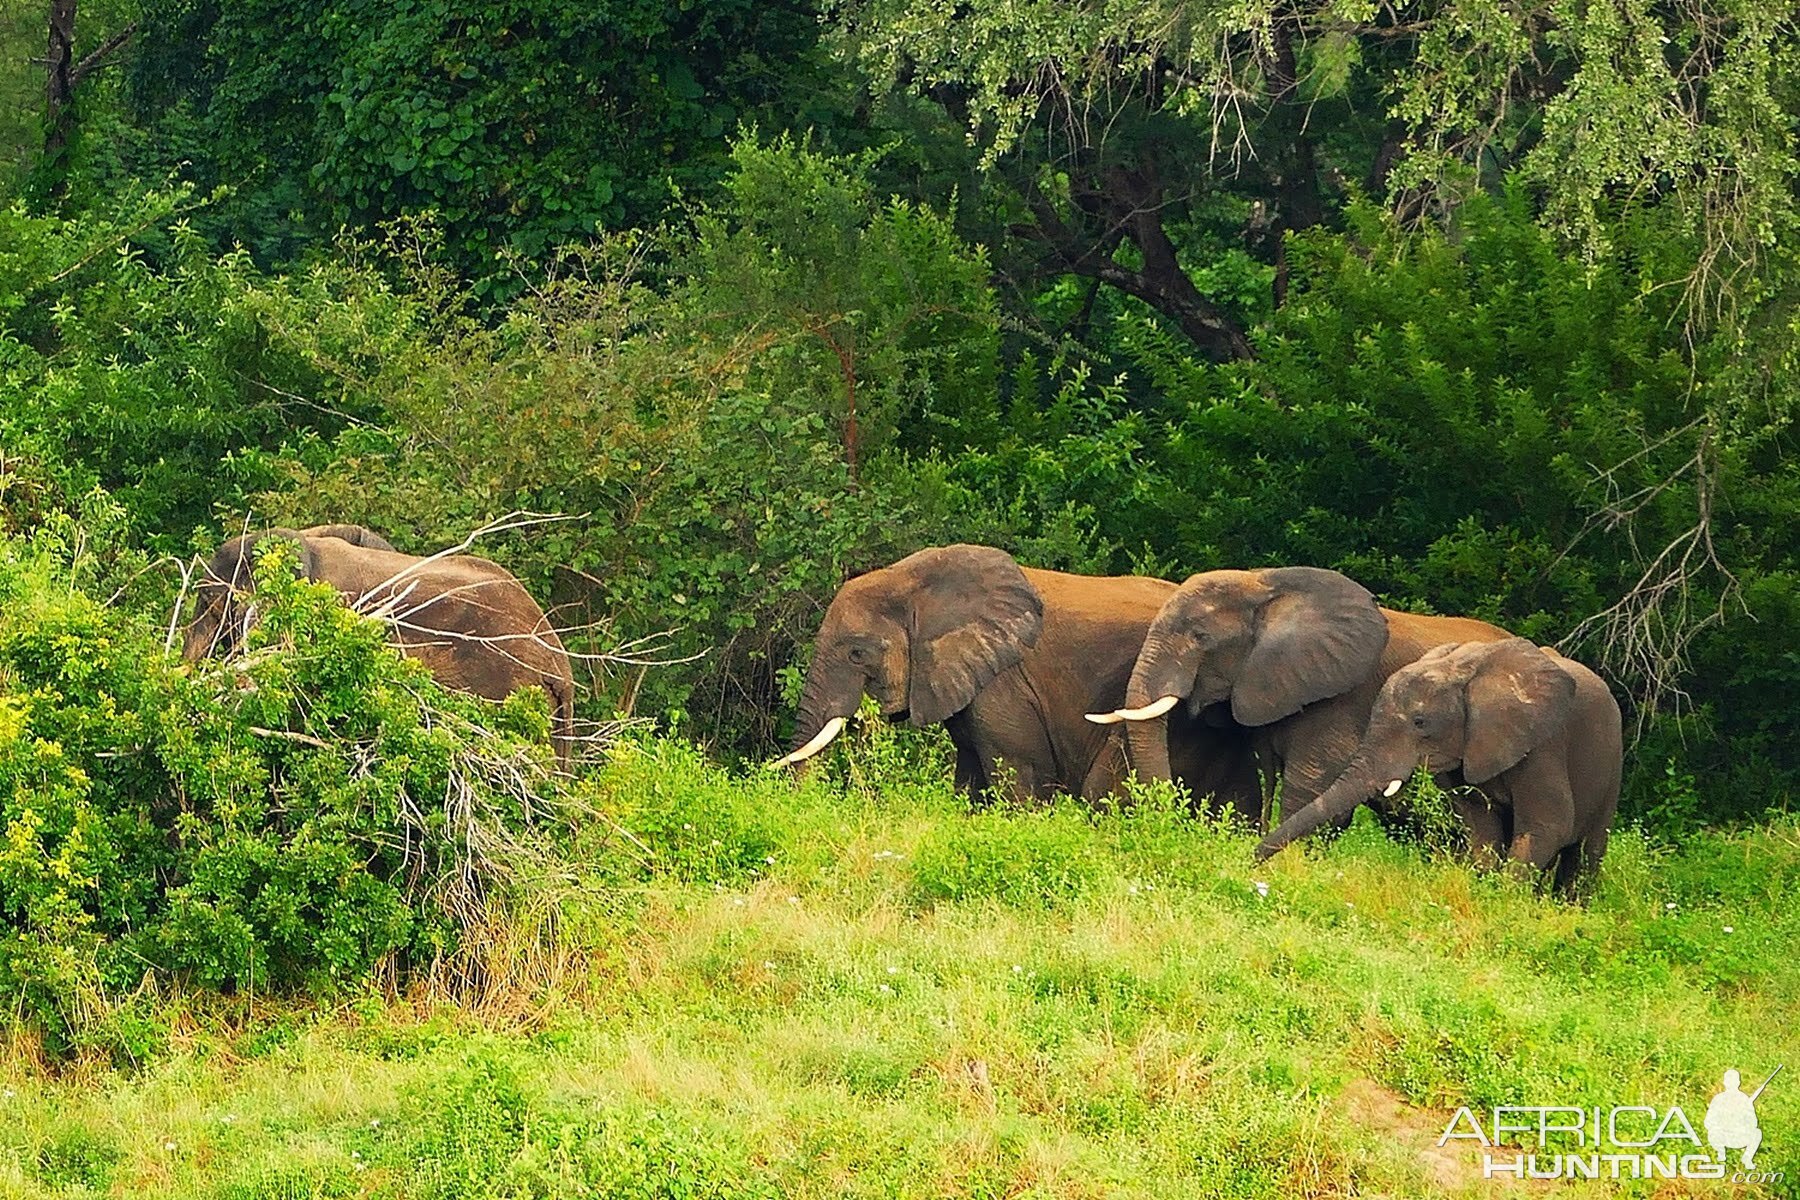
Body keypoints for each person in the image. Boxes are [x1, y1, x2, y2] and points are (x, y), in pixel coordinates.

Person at [1704, 1069, 1761, 1169]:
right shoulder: (1718, 1099)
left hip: (1739, 1136)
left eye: (1734, 1080)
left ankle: (1747, 1158)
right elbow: (1708, 1121)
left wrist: (1742, 1122)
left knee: (1756, 1133)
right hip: (1723, 1136)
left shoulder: (1744, 1099)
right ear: (1725, 1082)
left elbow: (1753, 1122)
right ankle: (1720, 1154)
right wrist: (1721, 1125)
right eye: (1729, 1080)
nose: (1731, 1083)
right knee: (1712, 1133)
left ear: (1738, 1082)